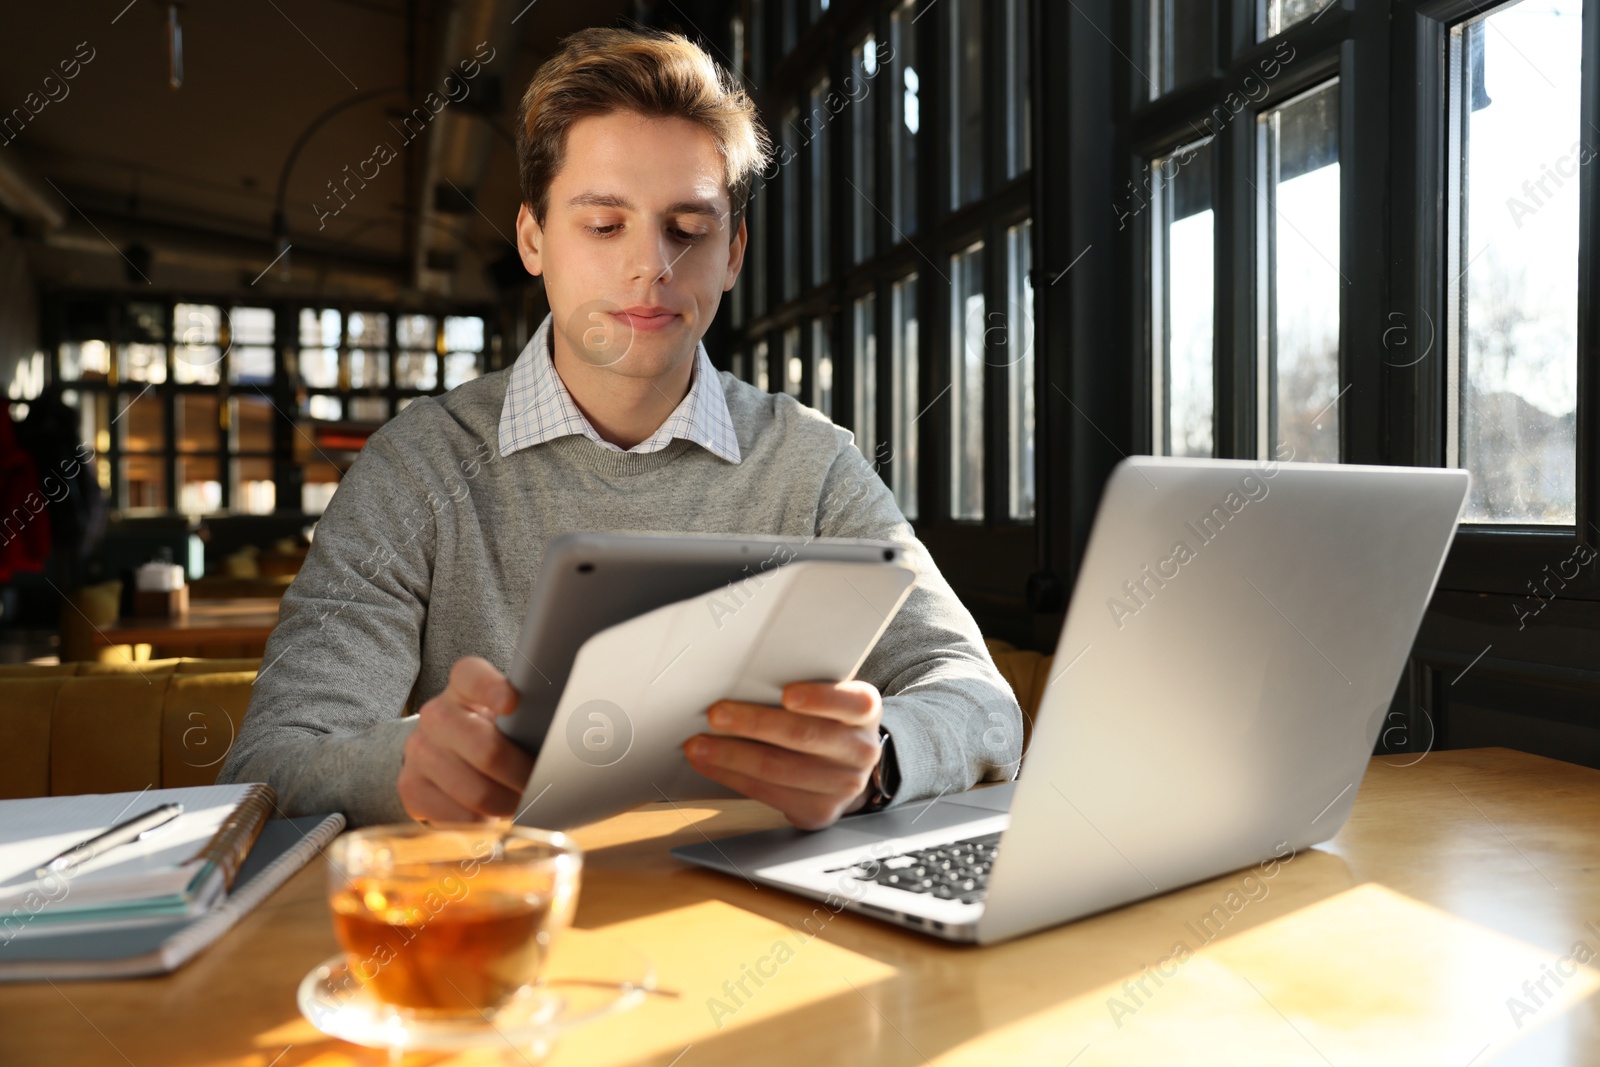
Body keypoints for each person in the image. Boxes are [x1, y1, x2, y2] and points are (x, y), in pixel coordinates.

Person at [215, 26, 1023, 830]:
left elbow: (983, 703)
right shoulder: (419, 465)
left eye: (690, 229)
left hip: (748, 924)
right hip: (500, 924)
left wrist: (879, 755)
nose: (653, 267)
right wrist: (403, 765)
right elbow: (270, 763)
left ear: (734, 252)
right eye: (605, 226)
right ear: (533, 239)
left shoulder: (811, 461)